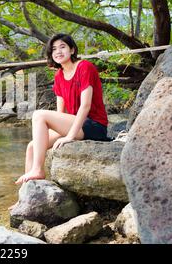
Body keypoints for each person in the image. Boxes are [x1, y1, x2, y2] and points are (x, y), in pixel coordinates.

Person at [14, 33, 109, 186]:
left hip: (94, 125)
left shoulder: (84, 67)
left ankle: (38, 169)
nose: (58, 51)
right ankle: (26, 195)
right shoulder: (59, 76)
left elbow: (86, 105)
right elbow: (60, 114)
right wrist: (60, 133)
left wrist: (69, 136)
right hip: (76, 125)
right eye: (54, 49)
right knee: (32, 147)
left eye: (62, 47)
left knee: (39, 114)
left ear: (72, 50)